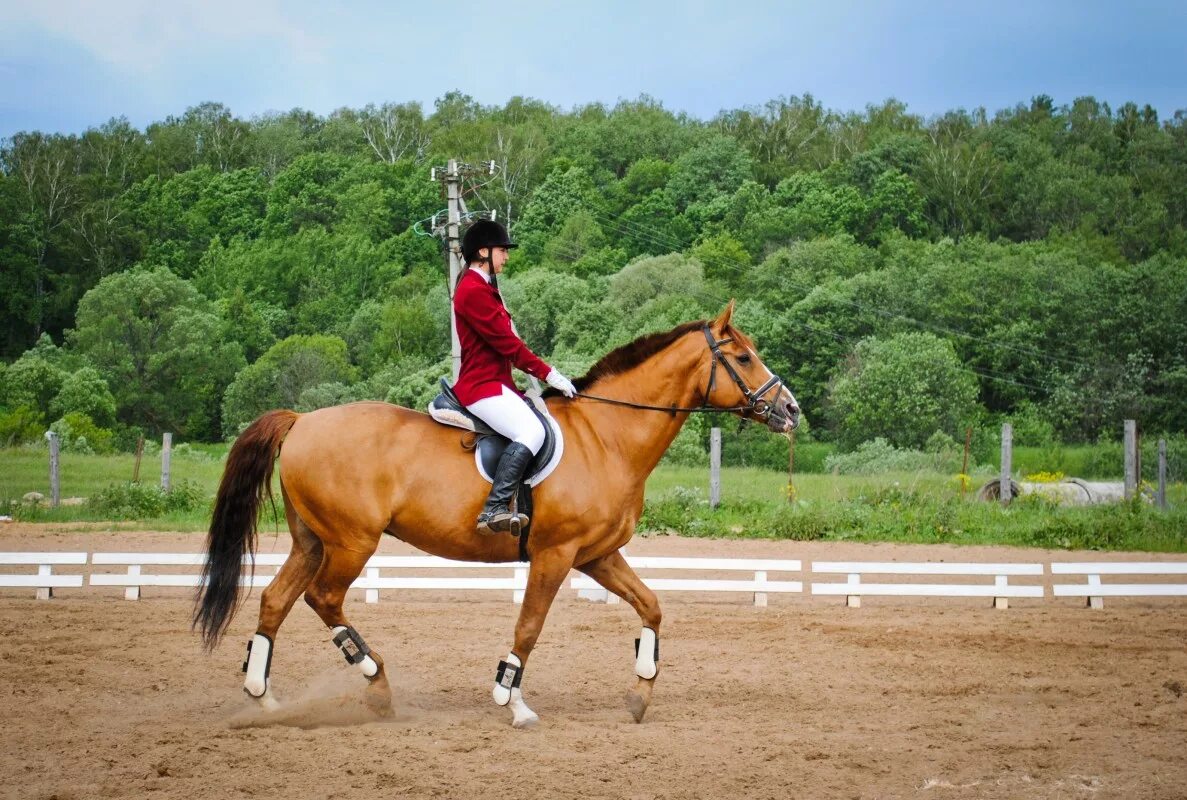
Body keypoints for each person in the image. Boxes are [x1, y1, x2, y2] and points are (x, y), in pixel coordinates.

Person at [452, 219, 576, 535]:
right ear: (483, 251)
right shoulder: (473, 290)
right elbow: (508, 346)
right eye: (502, 251)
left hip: (497, 384)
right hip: (482, 387)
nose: (506, 256)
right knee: (532, 432)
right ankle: (493, 508)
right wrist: (550, 374)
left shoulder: (483, 287)